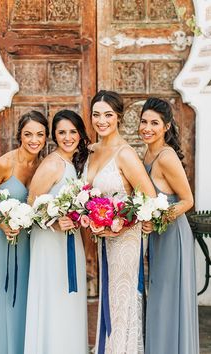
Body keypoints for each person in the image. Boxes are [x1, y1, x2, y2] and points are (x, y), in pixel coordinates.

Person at [84, 90, 156, 354]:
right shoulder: (93, 151)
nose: (101, 121)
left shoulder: (125, 154)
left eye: (108, 115)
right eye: (96, 115)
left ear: (119, 117)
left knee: (122, 299)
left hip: (124, 238)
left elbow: (148, 198)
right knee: (109, 297)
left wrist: (120, 224)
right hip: (102, 238)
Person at [0, 110, 49, 354]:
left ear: (46, 137)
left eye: (39, 135)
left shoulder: (43, 165)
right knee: (2, 293)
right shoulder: (4, 164)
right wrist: (2, 223)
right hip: (1, 240)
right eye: (28, 134)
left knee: (25, 295)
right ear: (19, 135)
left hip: (29, 242)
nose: (34, 140)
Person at [24, 109, 90, 354]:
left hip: (70, 242)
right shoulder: (52, 163)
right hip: (50, 242)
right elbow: (31, 203)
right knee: (54, 299)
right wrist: (53, 223)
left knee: (68, 300)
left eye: (73, 131)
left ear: (81, 134)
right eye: (62, 132)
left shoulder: (73, 163)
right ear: (54, 136)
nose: (68, 137)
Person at [139, 97, 199, 354]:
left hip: (172, 235)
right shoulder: (147, 152)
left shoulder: (166, 156)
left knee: (167, 298)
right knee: (159, 297)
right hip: (158, 236)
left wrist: (157, 219)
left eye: (155, 123)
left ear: (166, 126)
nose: (147, 128)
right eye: (144, 121)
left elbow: (187, 200)